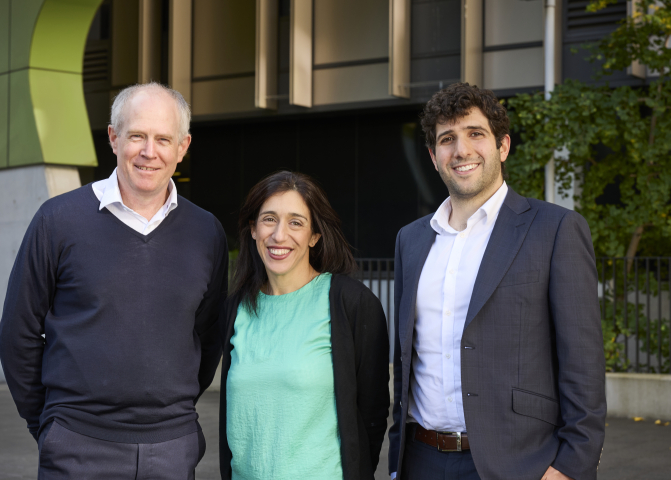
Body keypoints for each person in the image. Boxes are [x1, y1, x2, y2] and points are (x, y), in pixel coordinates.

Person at [0, 82, 228, 479]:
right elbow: (16, 335)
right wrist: (50, 426)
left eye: (163, 139)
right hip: (77, 445)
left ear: (182, 147)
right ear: (113, 138)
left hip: (172, 449)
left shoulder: (207, 232)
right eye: (137, 135)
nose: (149, 151)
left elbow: (209, 336)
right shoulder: (57, 221)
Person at [388, 83, 606, 480]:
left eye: (475, 134)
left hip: (520, 463)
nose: (461, 150)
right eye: (447, 139)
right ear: (434, 157)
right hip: (420, 460)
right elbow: (406, 360)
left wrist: (571, 467)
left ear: (502, 146)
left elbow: (584, 363)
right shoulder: (412, 239)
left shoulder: (555, 229)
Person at [218, 171, 390, 480]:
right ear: (253, 229)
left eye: (296, 222)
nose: (279, 235)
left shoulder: (349, 303)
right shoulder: (236, 308)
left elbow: (372, 414)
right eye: (269, 219)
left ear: (314, 235)